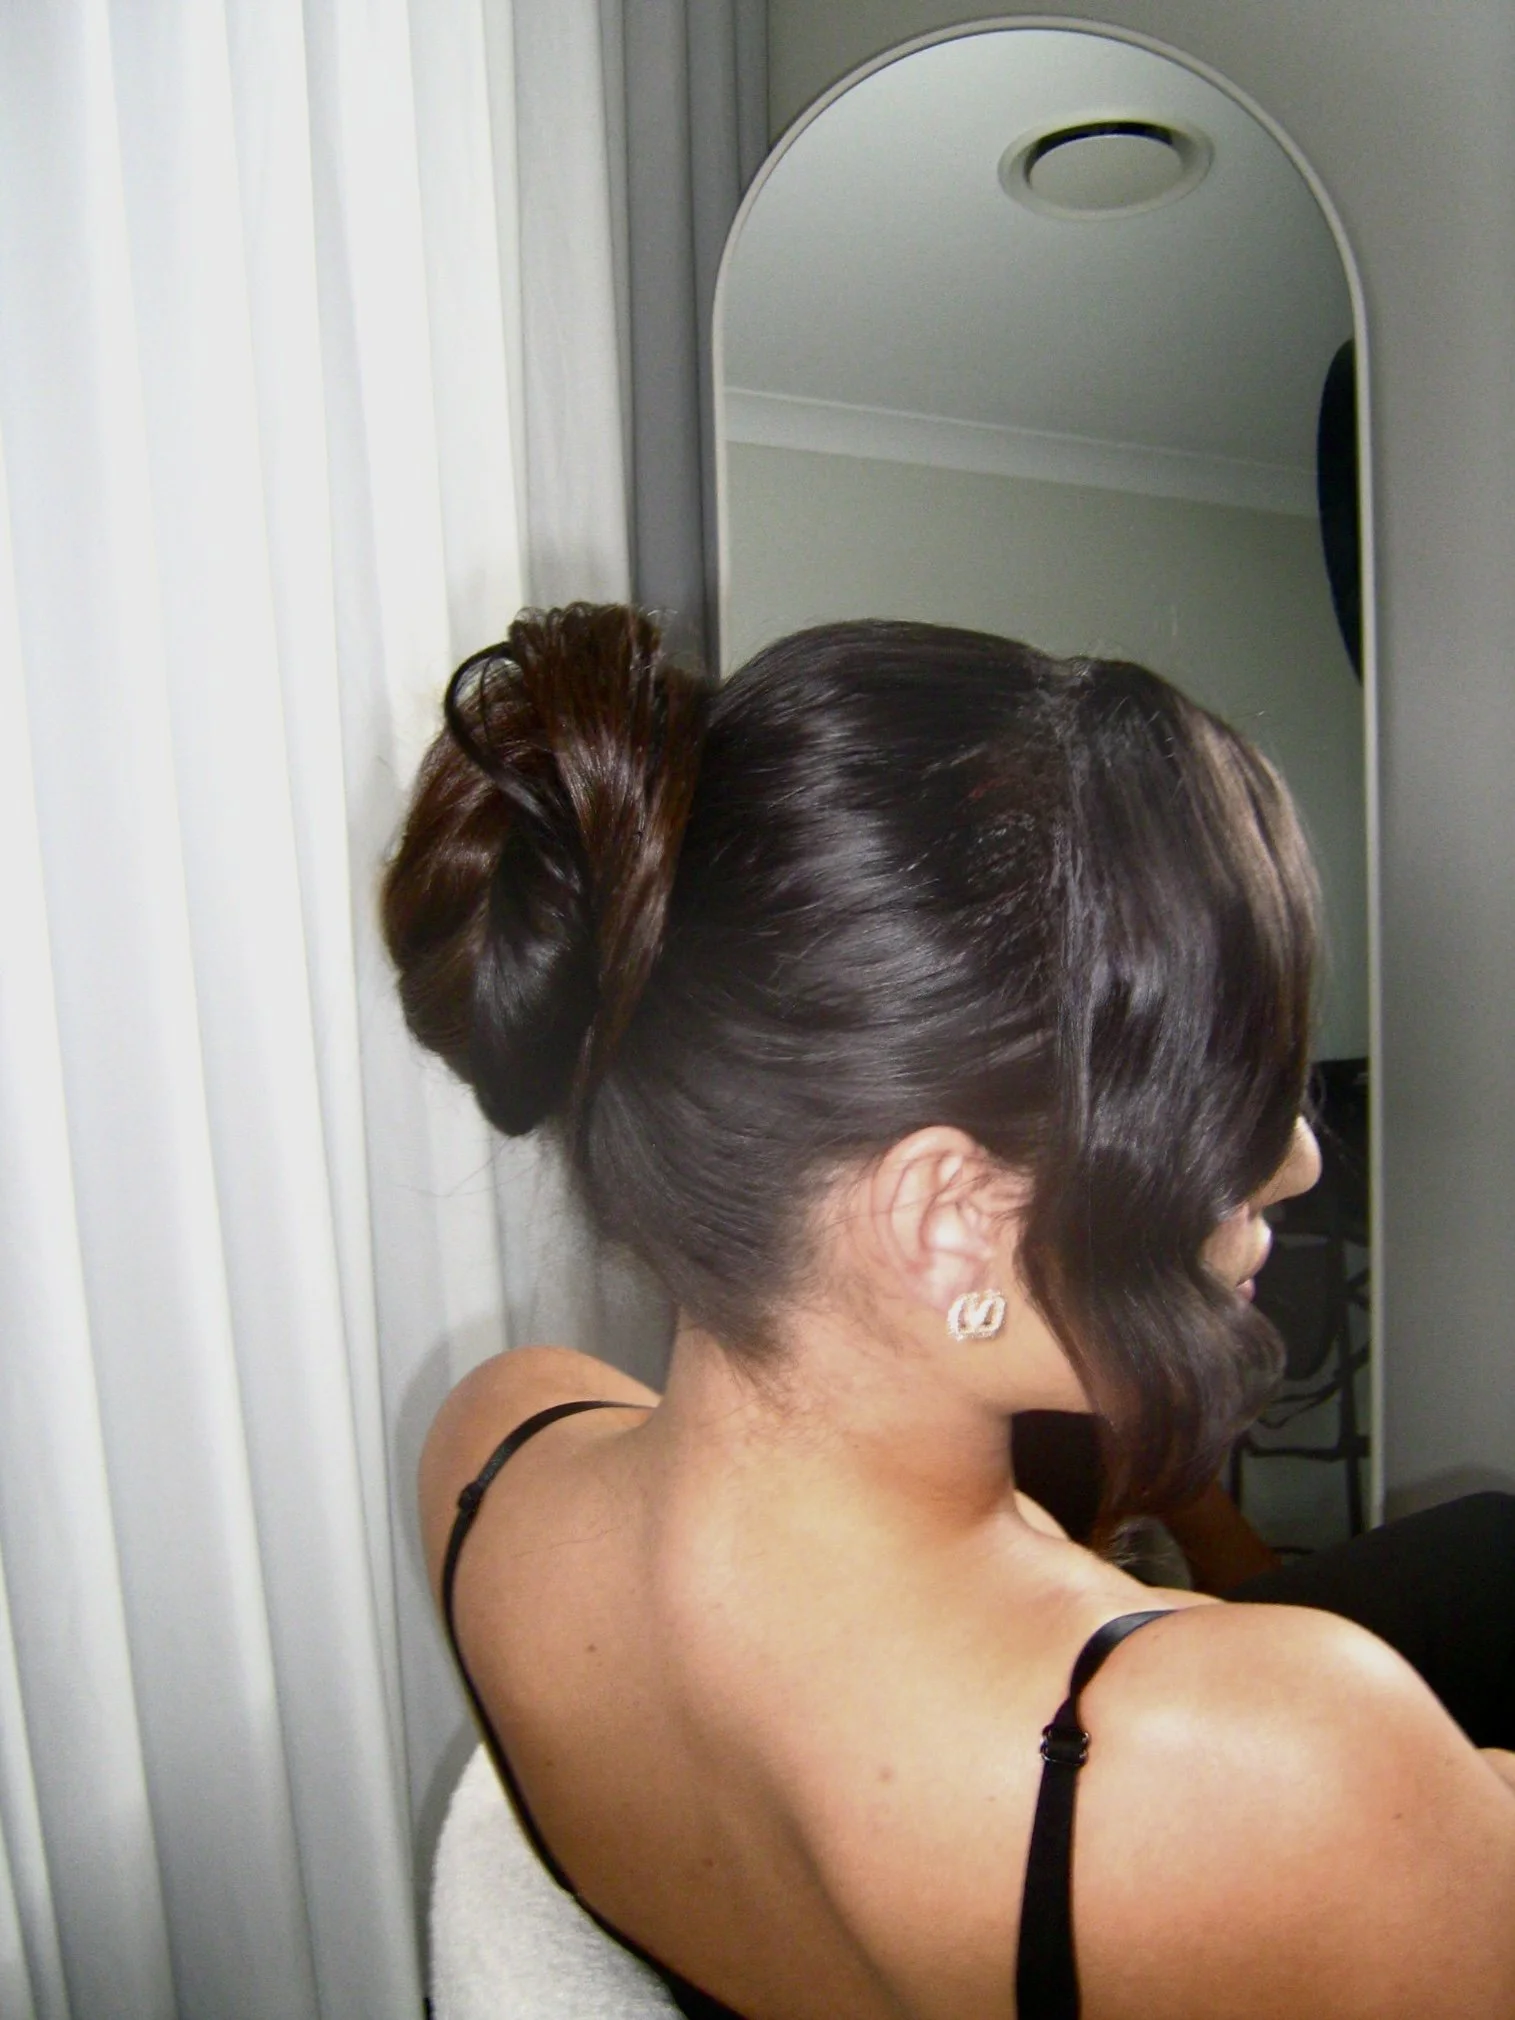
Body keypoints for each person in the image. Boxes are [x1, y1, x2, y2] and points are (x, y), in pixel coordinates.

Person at [385, 606, 1515, 2020]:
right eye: (1219, 1111)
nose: (1293, 1159)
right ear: (947, 1216)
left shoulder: (492, 1447)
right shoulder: (1298, 1774)